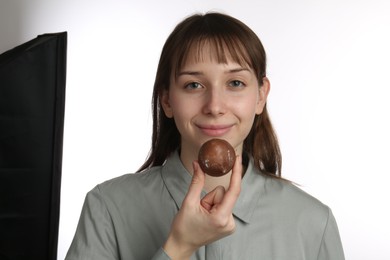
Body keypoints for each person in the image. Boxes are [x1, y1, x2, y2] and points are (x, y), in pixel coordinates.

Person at [65, 12, 345, 260]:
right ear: (166, 100)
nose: (214, 106)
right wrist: (178, 247)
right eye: (193, 84)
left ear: (261, 96)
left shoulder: (311, 221)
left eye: (235, 83)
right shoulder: (108, 207)